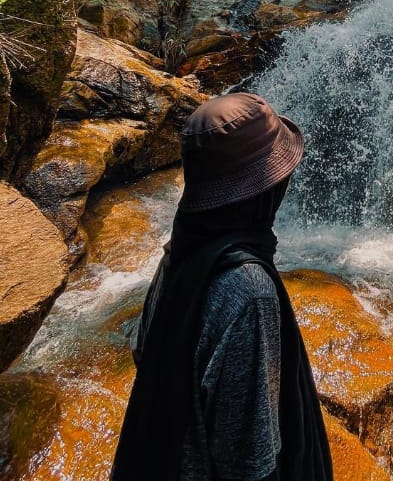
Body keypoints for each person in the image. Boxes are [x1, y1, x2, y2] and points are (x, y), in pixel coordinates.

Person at [110, 93, 333, 481]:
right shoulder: (249, 292)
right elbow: (249, 462)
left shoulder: (180, 254)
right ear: (263, 191)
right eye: (280, 172)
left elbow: (144, 353)